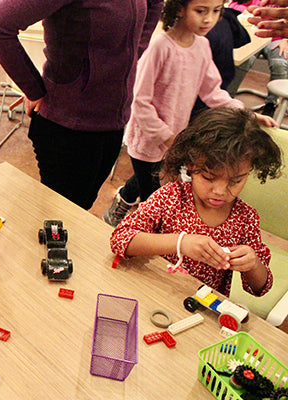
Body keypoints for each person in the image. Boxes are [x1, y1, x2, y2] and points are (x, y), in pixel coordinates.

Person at [0, 0, 165, 210]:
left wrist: (132, 54)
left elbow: (154, 3)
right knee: (60, 221)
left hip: (113, 121)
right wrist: (33, 88)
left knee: (80, 210)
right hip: (68, 130)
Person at [102, 0, 276, 227]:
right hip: (148, 138)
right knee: (154, 198)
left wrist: (247, 115)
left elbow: (213, 92)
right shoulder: (160, 48)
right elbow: (140, 102)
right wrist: (167, 137)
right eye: (201, 11)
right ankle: (135, 236)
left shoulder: (202, 46)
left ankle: (122, 201)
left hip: (176, 137)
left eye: (216, 12)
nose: (209, 19)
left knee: (154, 175)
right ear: (180, 8)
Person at [110, 107, 282, 297]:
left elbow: (261, 287)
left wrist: (253, 264)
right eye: (208, 177)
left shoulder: (245, 218)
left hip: (199, 307)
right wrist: (180, 243)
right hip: (153, 292)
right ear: (191, 165)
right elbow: (120, 238)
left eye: (235, 181)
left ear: (249, 170)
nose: (219, 191)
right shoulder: (172, 197)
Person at [228, 0, 288, 117]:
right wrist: (244, 11)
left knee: (279, 63)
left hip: (278, 39)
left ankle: (271, 104)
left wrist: (286, 40)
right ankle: (229, 99)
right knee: (245, 59)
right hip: (254, 34)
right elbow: (233, 5)